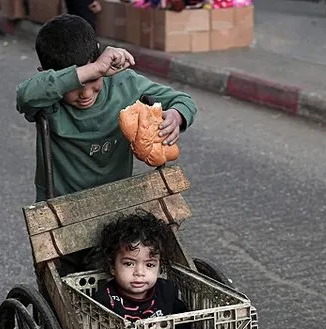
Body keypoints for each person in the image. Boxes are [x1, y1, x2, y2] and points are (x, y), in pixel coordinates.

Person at [16, 14, 197, 203]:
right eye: (74, 84)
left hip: (117, 197)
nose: (85, 94)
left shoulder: (123, 84)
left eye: (93, 80)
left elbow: (183, 100)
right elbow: (24, 95)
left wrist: (176, 116)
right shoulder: (48, 97)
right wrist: (95, 70)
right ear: (47, 75)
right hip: (61, 203)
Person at [93, 212, 188, 323]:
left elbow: (186, 323)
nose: (139, 272)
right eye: (129, 264)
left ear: (159, 267)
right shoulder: (104, 299)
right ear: (112, 267)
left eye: (149, 265)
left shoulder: (166, 292)